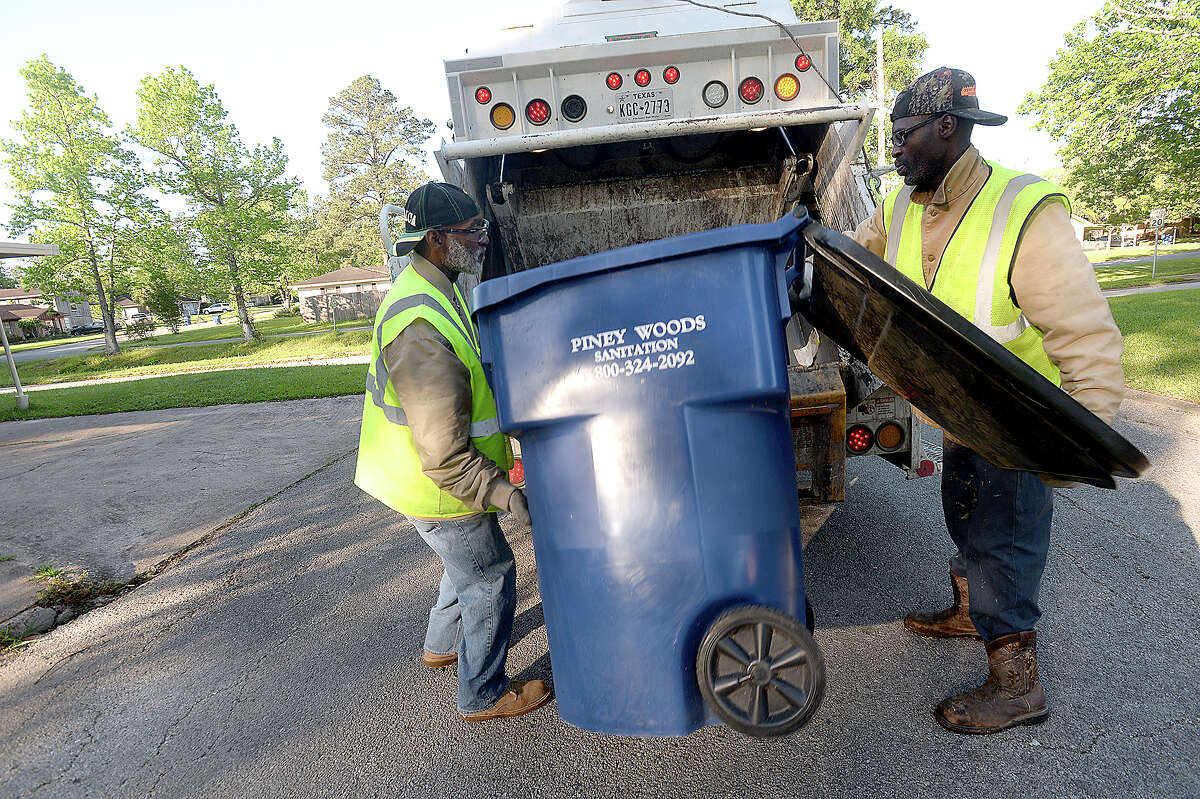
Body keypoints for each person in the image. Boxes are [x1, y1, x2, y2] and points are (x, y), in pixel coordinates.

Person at [851, 68, 1125, 734]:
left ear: (948, 127)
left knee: (1005, 543)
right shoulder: (898, 206)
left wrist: (1075, 440)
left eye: (906, 134)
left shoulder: (1023, 208)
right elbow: (856, 259)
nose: (896, 147)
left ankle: (1017, 686)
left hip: (1014, 422)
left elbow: (1085, 336)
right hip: (956, 413)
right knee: (967, 517)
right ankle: (970, 612)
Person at [354, 181, 551, 722]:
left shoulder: (433, 285)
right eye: (473, 231)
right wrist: (508, 496)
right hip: (431, 482)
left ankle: (441, 646)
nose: (483, 239)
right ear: (437, 238)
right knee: (489, 574)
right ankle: (483, 693)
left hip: (405, 473)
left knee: (459, 563)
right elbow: (444, 457)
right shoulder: (420, 325)